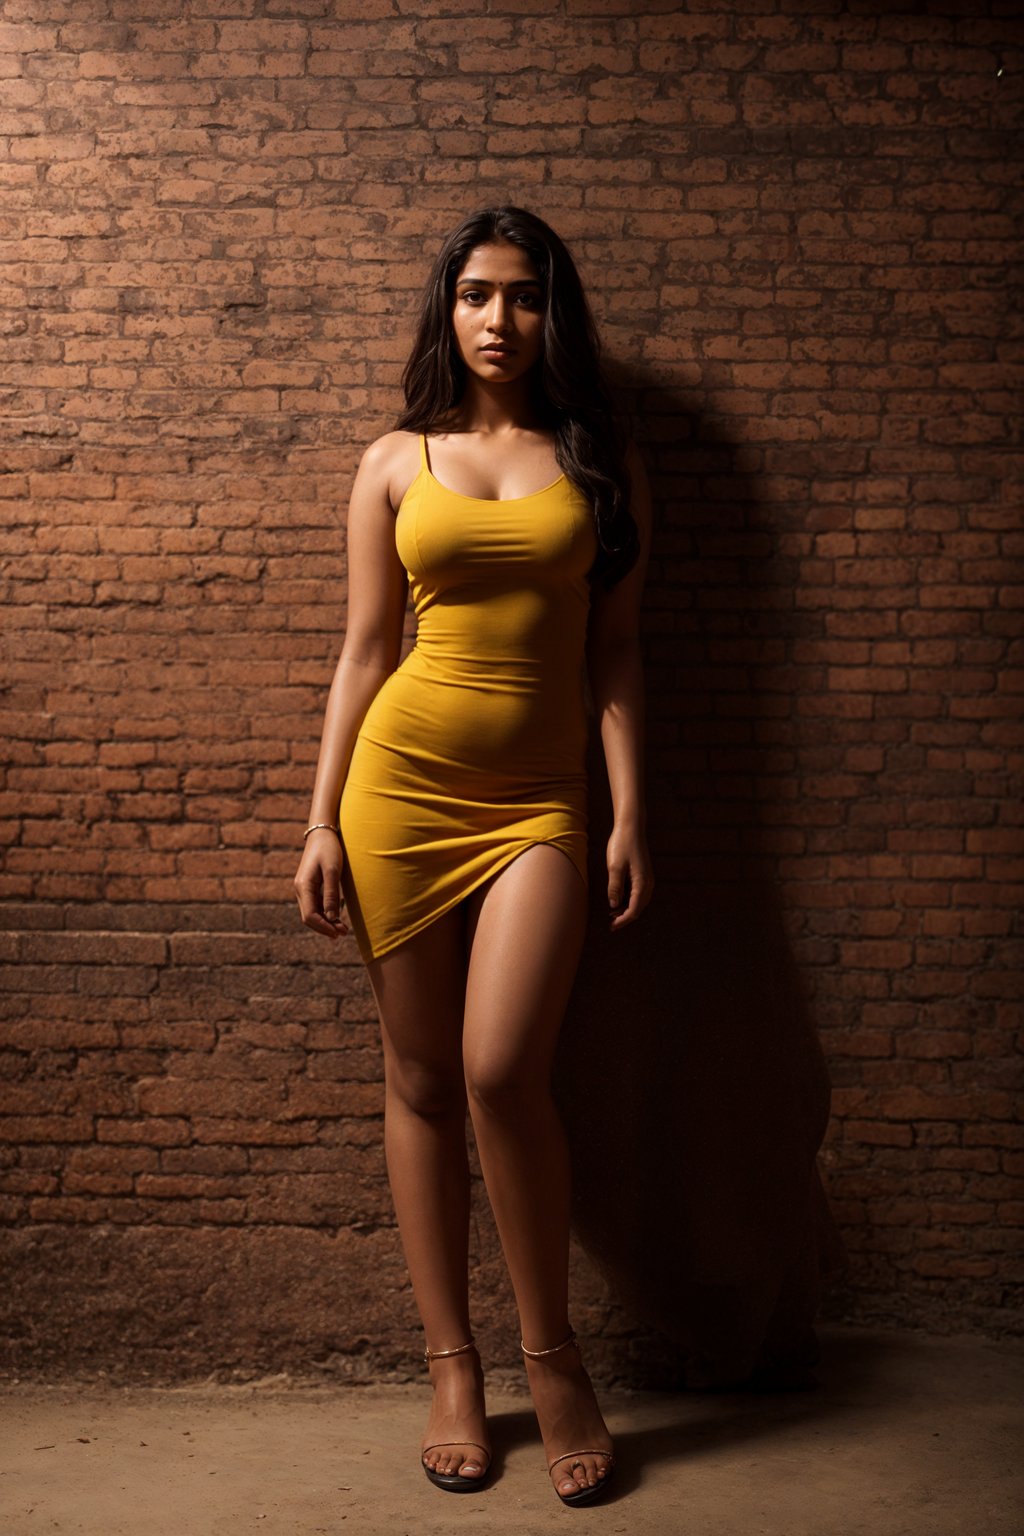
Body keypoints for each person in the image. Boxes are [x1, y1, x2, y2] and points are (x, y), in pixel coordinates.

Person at [294, 205, 653, 1507]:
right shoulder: (395, 460)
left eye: (526, 296)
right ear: (447, 310)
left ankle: (552, 1359)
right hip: (399, 792)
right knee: (423, 1077)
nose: (500, 318)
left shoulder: (598, 460)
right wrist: (323, 816)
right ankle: (454, 1367)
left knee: (505, 1070)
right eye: (477, 294)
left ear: (555, 313)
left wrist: (630, 816)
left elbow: (614, 655)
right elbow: (365, 651)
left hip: (539, 806)